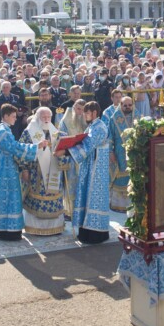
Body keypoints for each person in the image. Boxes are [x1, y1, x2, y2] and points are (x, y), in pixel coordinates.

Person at [0, 103, 46, 241]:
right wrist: (35, 147)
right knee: (10, 197)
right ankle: (9, 231)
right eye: (13, 116)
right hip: (4, 172)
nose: (15, 119)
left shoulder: (4, 129)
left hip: (5, 169)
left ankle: (2, 228)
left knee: (6, 199)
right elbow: (14, 147)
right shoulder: (3, 131)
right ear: (6, 116)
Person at [19, 107, 70, 236]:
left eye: (48, 117)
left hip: (54, 174)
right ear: (37, 118)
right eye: (43, 117)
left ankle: (56, 227)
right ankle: (35, 227)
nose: (46, 119)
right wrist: (24, 169)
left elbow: (65, 153)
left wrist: (63, 154)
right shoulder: (28, 133)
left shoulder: (58, 133)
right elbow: (22, 152)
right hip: (36, 175)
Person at [68, 101, 112, 243]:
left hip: (97, 170)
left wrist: (67, 150)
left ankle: (95, 234)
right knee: (87, 196)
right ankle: (85, 232)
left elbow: (88, 145)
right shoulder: (92, 126)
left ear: (94, 113)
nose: (84, 115)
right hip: (90, 166)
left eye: (87, 113)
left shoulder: (99, 127)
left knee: (94, 198)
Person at [58, 98, 87, 219]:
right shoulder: (66, 120)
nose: (80, 112)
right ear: (74, 107)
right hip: (70, 156)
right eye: (78, 109)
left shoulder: (85, 119)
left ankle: (81, 209)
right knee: (70, 184)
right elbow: (61, 136)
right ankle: (69, 211)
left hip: (82, 157)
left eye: (83, 110)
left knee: (82, 184)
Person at [108, 96, 136, 212]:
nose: (128, 107)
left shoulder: (139, 117)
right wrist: (110, 151)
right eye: (125, 105)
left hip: (135, 152)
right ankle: (119, 205)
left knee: (133, 176)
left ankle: (133, 204)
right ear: (120, 105)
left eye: (130, 105)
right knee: (120, 176)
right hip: (119, 153)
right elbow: (109, 137)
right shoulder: (114, 118)